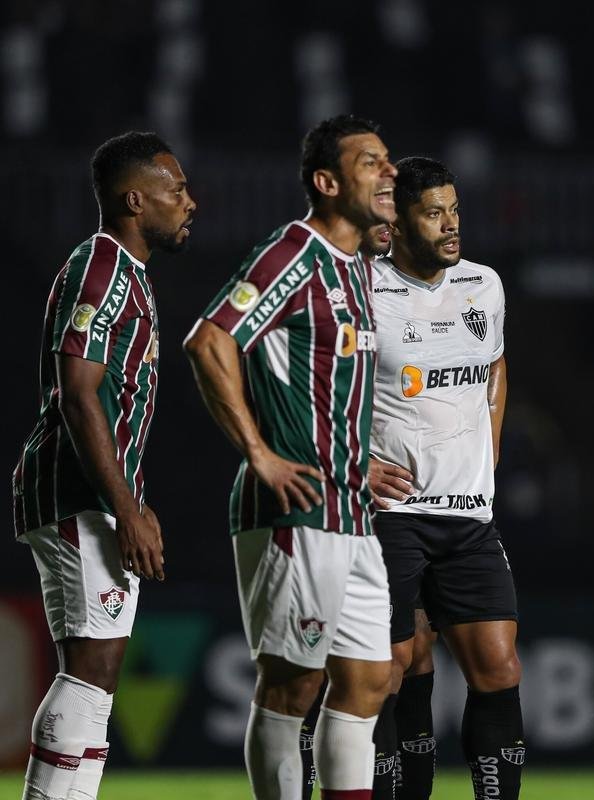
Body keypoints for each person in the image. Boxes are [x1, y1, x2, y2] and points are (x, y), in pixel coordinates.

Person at [183, 114, 397, 800]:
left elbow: (319, 386)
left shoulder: (358, 266)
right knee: (293, 683)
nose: (389, 172)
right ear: (328, 183)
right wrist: (260, 454)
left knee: (368, 681)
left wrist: (356, 463)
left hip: (351, 508)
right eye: (371, 163)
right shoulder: (294, 253)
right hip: (295, 507)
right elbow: (210, 340)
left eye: (388, 161)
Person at [12, 131, 196, 800]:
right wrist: (126, 508)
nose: (189, 202)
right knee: (92, 670)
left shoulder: (127, 275)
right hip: (75, 493)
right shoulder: (101, 269)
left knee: (97, 669)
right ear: (133, 198)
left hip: (85, 494)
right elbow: (76, 391)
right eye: (175, 190)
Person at [368, 157, 525, 799]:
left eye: (454, 209)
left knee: (499, 666)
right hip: (390, 517)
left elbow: (493, 368)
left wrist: (488, 454)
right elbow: (321, 394)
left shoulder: (482, 285)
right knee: (389, 670)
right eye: (434, 213)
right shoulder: (362, 289)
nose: (451, 225)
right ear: (397, 221)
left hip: (468, 517)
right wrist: (358, 462)